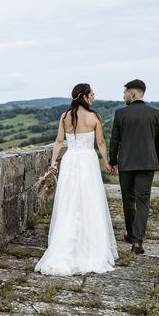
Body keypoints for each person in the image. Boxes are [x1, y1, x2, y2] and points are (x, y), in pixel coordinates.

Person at [35, 83, 118, 276]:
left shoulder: (65, 117)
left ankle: (62, 247)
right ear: (85, 96)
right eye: (92, 94)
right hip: (88, 161)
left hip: (70, 160)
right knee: (90, 200)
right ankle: (91, 247)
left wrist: (53, 163)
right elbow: (100, 142)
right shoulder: (94, 117)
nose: (94, 96)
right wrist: (106, 162)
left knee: (69, 202)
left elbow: (58, 141)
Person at [109, 79, 159, 254]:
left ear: (132, 94)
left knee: (128, 199)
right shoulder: (156, 113)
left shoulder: (120, 114)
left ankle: (131, 233)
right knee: (143, 201)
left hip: (126, 164)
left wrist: (112, 161)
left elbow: (115, 140)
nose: (123, 96)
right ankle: (138, 241)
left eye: (125, 92)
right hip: (147, 163)